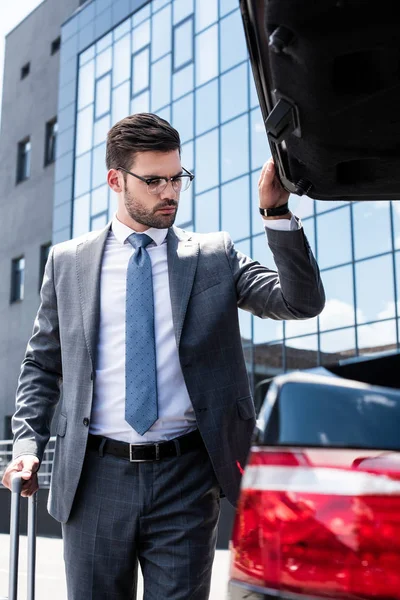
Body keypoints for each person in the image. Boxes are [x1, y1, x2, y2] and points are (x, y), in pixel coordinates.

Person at [2, 112, 325, 599]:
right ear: (116, 180)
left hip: (186, 481)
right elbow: (43, 366)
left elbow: (300, 302)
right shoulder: (68, 262)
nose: (170, 191)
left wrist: (275, 214)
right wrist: (27, 449)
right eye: (153, 181)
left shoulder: (214, 255)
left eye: (177, 178)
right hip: (93, 480)